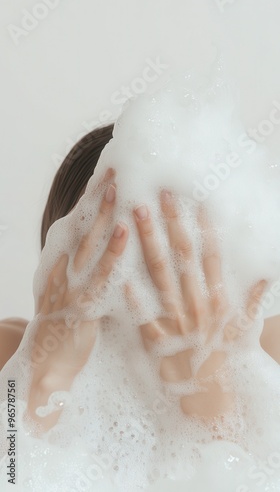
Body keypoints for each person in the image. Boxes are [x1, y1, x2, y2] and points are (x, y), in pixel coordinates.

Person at [0, 123, 279, 431]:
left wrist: (209, 395)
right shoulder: (9, 357)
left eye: (166, 265)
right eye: (105, 266)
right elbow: (13, 472)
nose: (134, 298)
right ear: (56, 267)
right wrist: (45, 379)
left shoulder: (270, 364)